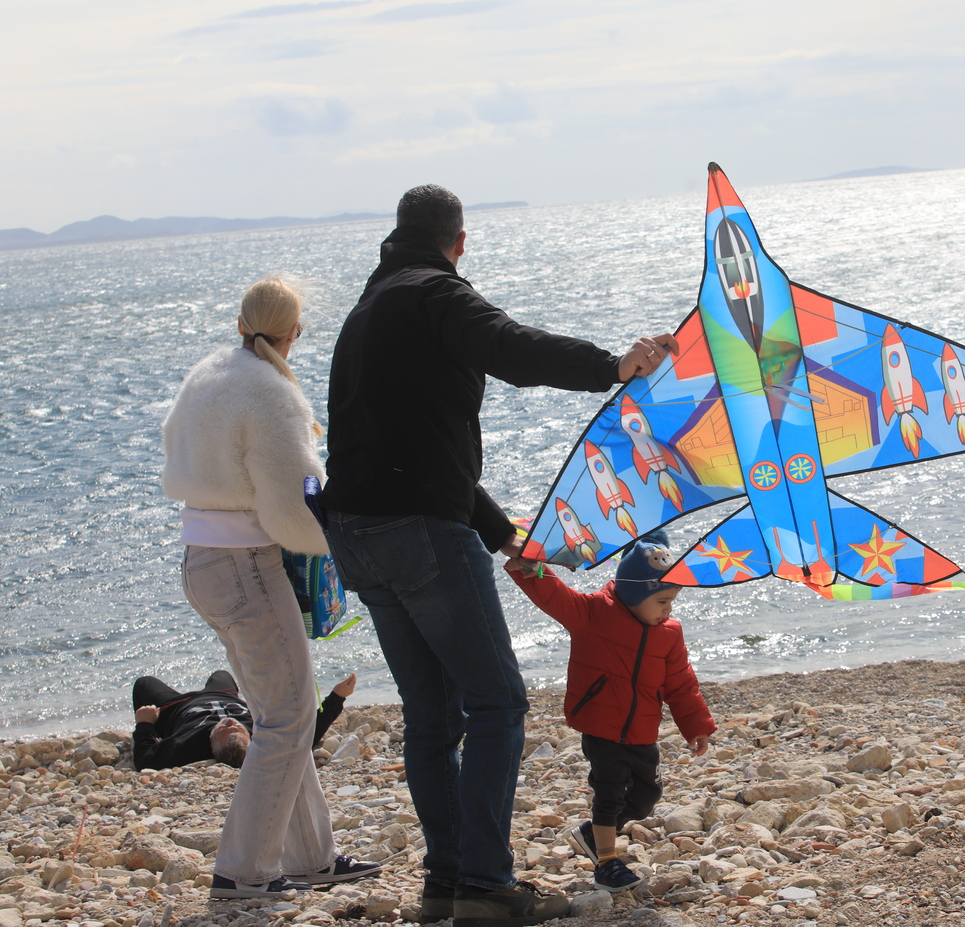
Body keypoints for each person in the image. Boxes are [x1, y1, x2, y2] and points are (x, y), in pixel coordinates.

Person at [322, 183, 676, 925]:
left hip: (357, 535)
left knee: (431, 714)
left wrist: (498, 530)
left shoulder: (366, 312)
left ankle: (447, 884)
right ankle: (483, 883)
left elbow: (403, 445)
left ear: (398, 234)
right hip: (417, 532)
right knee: (497, 701)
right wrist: (614, 365)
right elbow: (512, 348)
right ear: (459, 240)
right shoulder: (436, 294)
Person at [162, 276, 380, 901]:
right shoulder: (271, 391)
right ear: (293, 336)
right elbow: (292, 509)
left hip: (201, 560)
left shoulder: (207, 373)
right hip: (247, 565)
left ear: (239, 325)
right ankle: (244, 869)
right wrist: (336, 545)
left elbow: (173, 453)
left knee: (278, 709)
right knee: (288, 716)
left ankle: (312, 856)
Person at [504, 530, 715, 893]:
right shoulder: (593, 615)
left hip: (642, 730)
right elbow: (556, 596)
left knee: (646, 797)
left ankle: (592, 834)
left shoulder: (669, 633)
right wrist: (533, 569)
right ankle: (606, 862)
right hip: (601, 726)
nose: (669, 610)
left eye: (672, 602)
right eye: (662, 601)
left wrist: (696, 725)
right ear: (635, 595)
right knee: (609, 793)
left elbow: (681, 683)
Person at [132, 671, 357, 770]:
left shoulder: (187, 746)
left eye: (225, 730)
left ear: (212, 745)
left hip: (179, 706)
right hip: (225, 695)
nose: (231, 723)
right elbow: (307, 734)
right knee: (221, 674)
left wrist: (145, 723)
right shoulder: (261, 735)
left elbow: (145, 759)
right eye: (238, 730)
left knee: (143, 683)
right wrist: (337, 697)